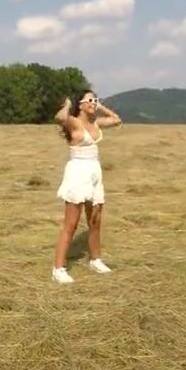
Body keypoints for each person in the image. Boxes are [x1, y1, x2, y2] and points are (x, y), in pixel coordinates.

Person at [51, 89, 122, 284]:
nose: (93, 103)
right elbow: (59, 118)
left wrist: (101, 107)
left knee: (95, 220)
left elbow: (116, 120)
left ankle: (95, 260)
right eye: (90, 100)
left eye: (95, 100)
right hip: (78, 172)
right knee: (71, 223)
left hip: (94, 172)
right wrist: (67, 105)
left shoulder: (95, 122)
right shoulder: (74, 122)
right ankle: (58, 269)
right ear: (80, 105)